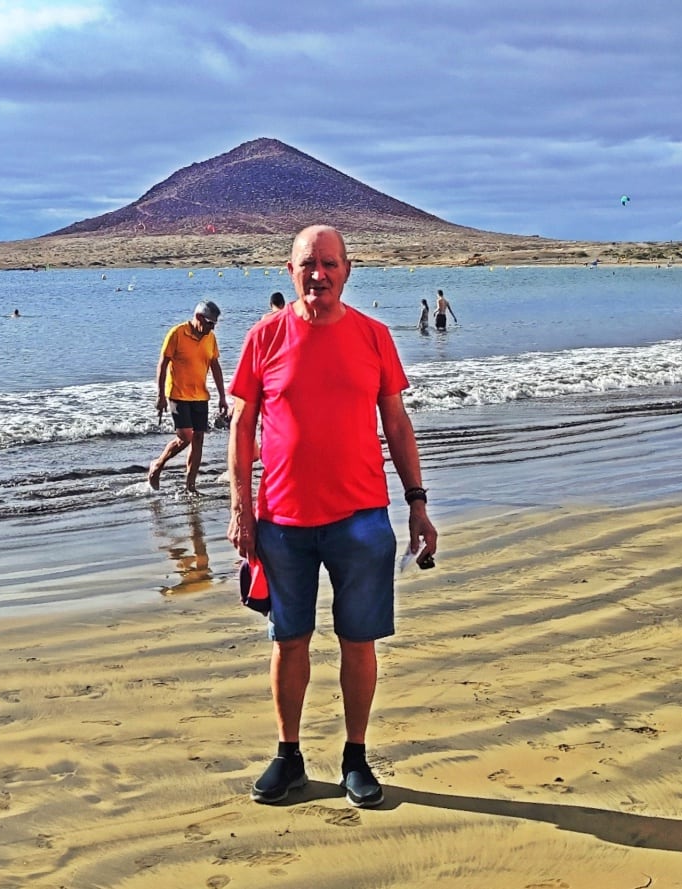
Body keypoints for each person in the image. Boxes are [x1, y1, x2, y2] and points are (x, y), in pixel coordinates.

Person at [227, 225, 438, 808]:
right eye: (306, 264)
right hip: (283, 522)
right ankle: (288, 756)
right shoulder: (264, 337)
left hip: (361, 519)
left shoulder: (373, 337)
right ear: (288, 271)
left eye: (328, 263)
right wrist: (242, 508)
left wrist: (418, 501)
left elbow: (397, 423)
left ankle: (355, 757)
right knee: (288, 640)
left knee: (358, 641)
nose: (317, 274)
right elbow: (243, 427)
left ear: (347, 270)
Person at [148, 300, 228, 493]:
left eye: (215, 324)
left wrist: (222, 396)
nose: (212, 327)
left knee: (198, 438)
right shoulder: (177, 333)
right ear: (199, 317)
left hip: (200, 395)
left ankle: (190, 486)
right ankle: (157, 465)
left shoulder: (210, 338)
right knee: (185, 437)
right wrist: (160, 395)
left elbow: (215, 366)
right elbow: (163, 364)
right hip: (177, 394)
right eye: (210, 323)